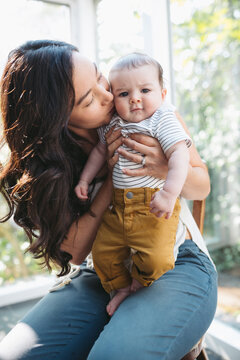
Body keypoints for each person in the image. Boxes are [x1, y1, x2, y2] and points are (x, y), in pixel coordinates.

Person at [0, 40, 217, 360]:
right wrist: (109, 184)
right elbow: (75, 252)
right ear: (59, 119)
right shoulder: (50, 166)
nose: (110, 96)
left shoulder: (152, 114)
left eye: (100, 78)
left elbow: (202, 188)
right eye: (89, 99)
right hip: (105, 267)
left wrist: (161, 167)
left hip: (174, 259)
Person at [75, 53, 192, 316]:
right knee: (103, 254)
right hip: (118, 208)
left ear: (162, 94)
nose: (135, 98)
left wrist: (169, 192)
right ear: (114, 98)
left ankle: (138, 283)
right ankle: (120, 288)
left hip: (152, 205)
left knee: (156, 257)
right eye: (124, 93)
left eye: (145, 90)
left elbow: (179, 155)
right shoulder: (114, 122)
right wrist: (85, 179)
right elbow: (98, 153)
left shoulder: (162, 119)